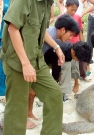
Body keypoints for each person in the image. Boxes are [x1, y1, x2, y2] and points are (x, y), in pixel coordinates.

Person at [1, 0, 66, 135]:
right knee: (17, 108)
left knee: (54, 94)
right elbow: (12, 29)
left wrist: (57, 47)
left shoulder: (47, 3)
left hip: (36, 59)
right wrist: (25, 64)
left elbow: (41, 30)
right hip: (17, 61)